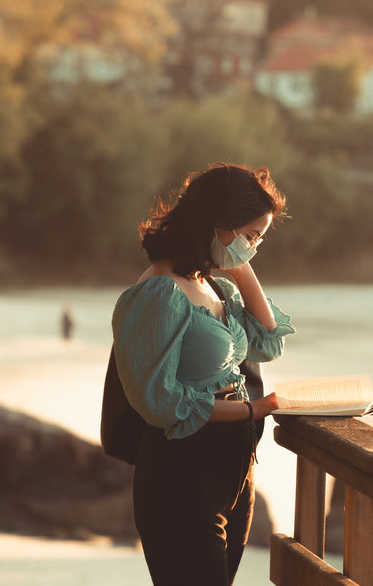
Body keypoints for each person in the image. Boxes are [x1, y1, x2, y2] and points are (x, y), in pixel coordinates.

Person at [111, 163, 294, 586]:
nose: (254, 247)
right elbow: (162, 403)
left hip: (234, 470)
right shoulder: (159, 292)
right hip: (182, 475)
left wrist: (242, 269)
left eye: (260, 239)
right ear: (217, 222)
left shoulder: (214, 286)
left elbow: (268, 344)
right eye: (249, 236)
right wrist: (254, 409)